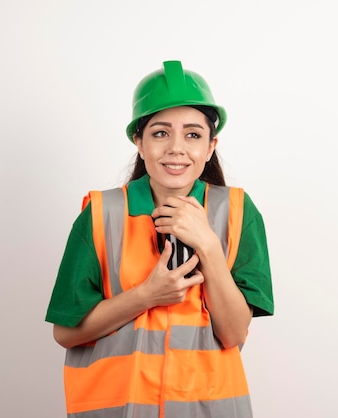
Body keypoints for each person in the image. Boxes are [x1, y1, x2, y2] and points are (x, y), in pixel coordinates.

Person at [45, 60, 274, 418]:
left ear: (211, 146)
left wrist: (209, 246)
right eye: (161, 133)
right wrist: (147, 295)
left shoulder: (238, 213)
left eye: (193, 134)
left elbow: (233, 334)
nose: (176, 148)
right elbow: (66, 333)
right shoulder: (100, 214)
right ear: (139, 141)